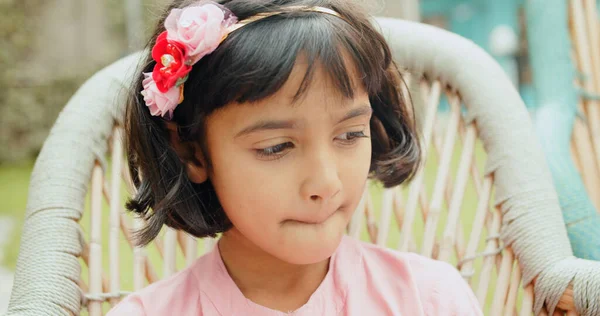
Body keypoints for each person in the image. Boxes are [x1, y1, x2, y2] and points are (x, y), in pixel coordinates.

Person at [108, 0, 483, 314]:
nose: (326, 183)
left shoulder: (430, 299)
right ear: (192, 153)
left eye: (350, 134)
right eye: (276, 147)